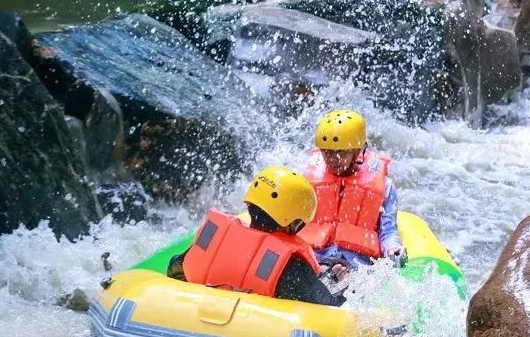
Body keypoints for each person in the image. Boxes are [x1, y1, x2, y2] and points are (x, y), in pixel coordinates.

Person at [167, 166, 343, 306]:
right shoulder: (291, 265)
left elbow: (175, 268)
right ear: (292, 223)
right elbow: (327, 305)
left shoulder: (216, 237)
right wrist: (331, 278)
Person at [300, 109, 405, 277]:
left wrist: (393, 249)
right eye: (327, 151)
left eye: (341, 151)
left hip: (356, 264)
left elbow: (388, 231)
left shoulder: (385, 187)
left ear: (357, 151)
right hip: (316, 259)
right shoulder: (305, 182)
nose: (333, 158)